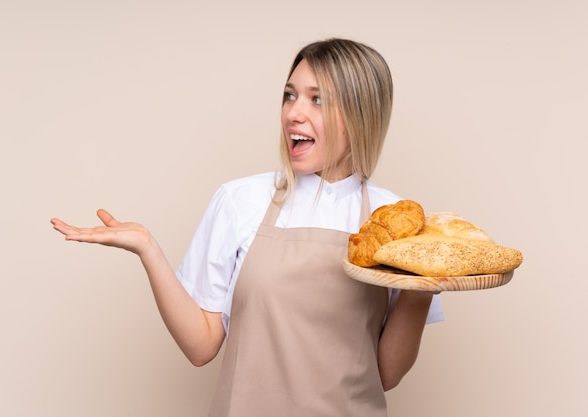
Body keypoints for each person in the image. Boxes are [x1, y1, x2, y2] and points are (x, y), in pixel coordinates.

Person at [51, 38, 444, 416]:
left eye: (317, 99)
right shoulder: (240, 200)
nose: (293, 112)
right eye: (290, 95)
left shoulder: (394, 220)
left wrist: (422, 285)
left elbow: (387, 374)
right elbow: (201, 345)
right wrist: (148, 248)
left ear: (361, 114)